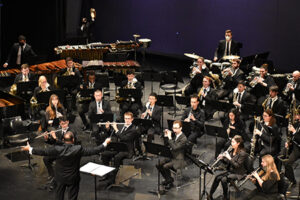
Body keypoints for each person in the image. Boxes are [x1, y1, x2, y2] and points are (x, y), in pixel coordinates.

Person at [21, 131, 111, 200]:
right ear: (73, 140)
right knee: (72, 198)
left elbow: (44, 152)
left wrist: (30, 149)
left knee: (59, 197)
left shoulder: (57, 149)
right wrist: (105, 143)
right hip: (73, 178)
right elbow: (94, 150)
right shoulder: (78, 149)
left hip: (60, 178)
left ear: (63, 140)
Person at [43, 116, 78, 191]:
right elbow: (53, 142)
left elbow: (67, 145)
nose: (63, 126)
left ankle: (55, 182)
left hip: (68, 153)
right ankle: (52, 175)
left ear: (68, 122)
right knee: (46, 158)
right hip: (59, 152)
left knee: (58, 164)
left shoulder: (72, 131)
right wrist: (47, 139)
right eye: (62, 124)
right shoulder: (58, 131)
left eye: (65, 124)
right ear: (60, 123)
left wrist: (56, 138)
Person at [101, 112, 137, 184]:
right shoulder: (121, 126)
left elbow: (124, 138)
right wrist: (108, 128)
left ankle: (113, 178)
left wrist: (116, 129)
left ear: (132, 119)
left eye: (128, 119)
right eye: (125, 119)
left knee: (117, 157)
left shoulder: (133, 129)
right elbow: (113, 134)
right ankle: (107, 174)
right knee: (104, 154)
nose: (127, 121)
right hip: (118, 147)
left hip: (127, 149)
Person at [208, 135, 248, 200]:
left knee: (224, 179)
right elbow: (227, 162)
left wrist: (229, 157)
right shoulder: (232, 150)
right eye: (231, 141)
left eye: (233, 142)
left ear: (238, 143)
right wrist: (222, 158)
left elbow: (237, 166)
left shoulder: (243, 153)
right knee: (217, 177)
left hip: (238, 173)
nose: (231, 143)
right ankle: (210, 195)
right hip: (230, 170)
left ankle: (225, 197)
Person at [156, 120, 188, 190]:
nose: (174, 130)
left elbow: (175, 147)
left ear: (181, 128)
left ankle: (169, 180)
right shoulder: (174, 135)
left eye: (176, 128)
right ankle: (168, 179)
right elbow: (167, 145)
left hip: (179, 159)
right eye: (173, 128)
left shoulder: (184, 138)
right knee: (158, 165)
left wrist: (170, 138)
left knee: (165, 166)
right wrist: (166, 136)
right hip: (172, 156)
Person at [282, 109, 300, 188]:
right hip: (295, 146)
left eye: (297, 115)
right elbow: (293, 137)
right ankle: (285, 175)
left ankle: (293, 181)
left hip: (299, 149)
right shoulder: (297, 124)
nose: (296, 116)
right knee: (280, 155)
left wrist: (294, 131)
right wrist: (288, 142)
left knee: (287, 162)